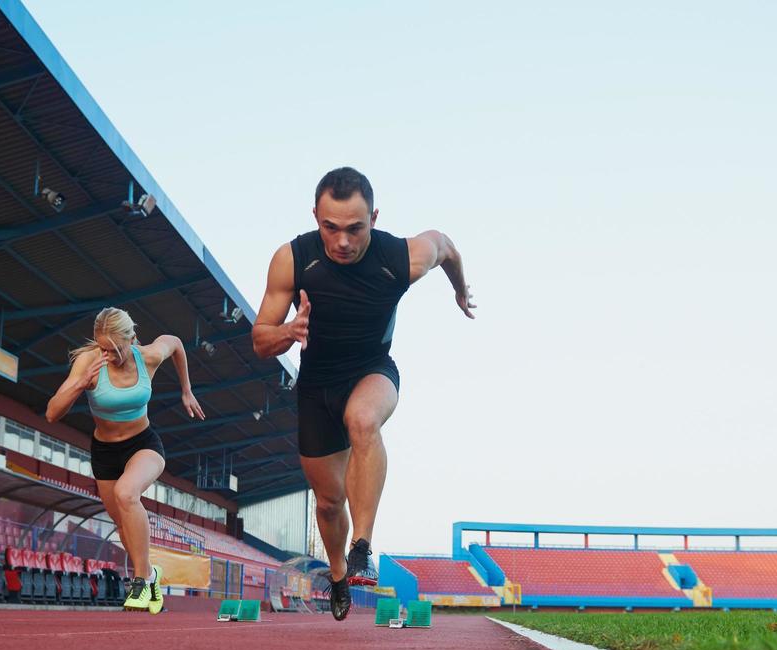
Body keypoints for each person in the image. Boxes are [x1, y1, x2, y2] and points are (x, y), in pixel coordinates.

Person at [252, 166, 474, 621]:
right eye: (330, 228)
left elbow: (446, 246)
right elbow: (260, 340)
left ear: (374, 217)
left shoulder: (401, 257)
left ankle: (362, 546)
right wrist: (290, 331)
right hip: (315, 386)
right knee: (329, 502)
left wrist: (459, 290)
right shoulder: (292, 259)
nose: (343, 242)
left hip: (373, 370)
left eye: (355, 228)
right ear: (315, 216)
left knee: (363, 420)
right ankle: (338, 574)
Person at [45, 307, 205, 612]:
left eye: (116, 349)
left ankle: (141, 581)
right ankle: (152, 576)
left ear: (132, 339)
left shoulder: (148, 356)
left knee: (126, 494)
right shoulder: (88, 362)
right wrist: (81, 384)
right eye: (103, 347)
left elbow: (176, 344)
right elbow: (52, 413)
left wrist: (186, 390)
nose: (109, 354)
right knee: (122, 525)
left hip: (144, 444)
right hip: (105, 453)